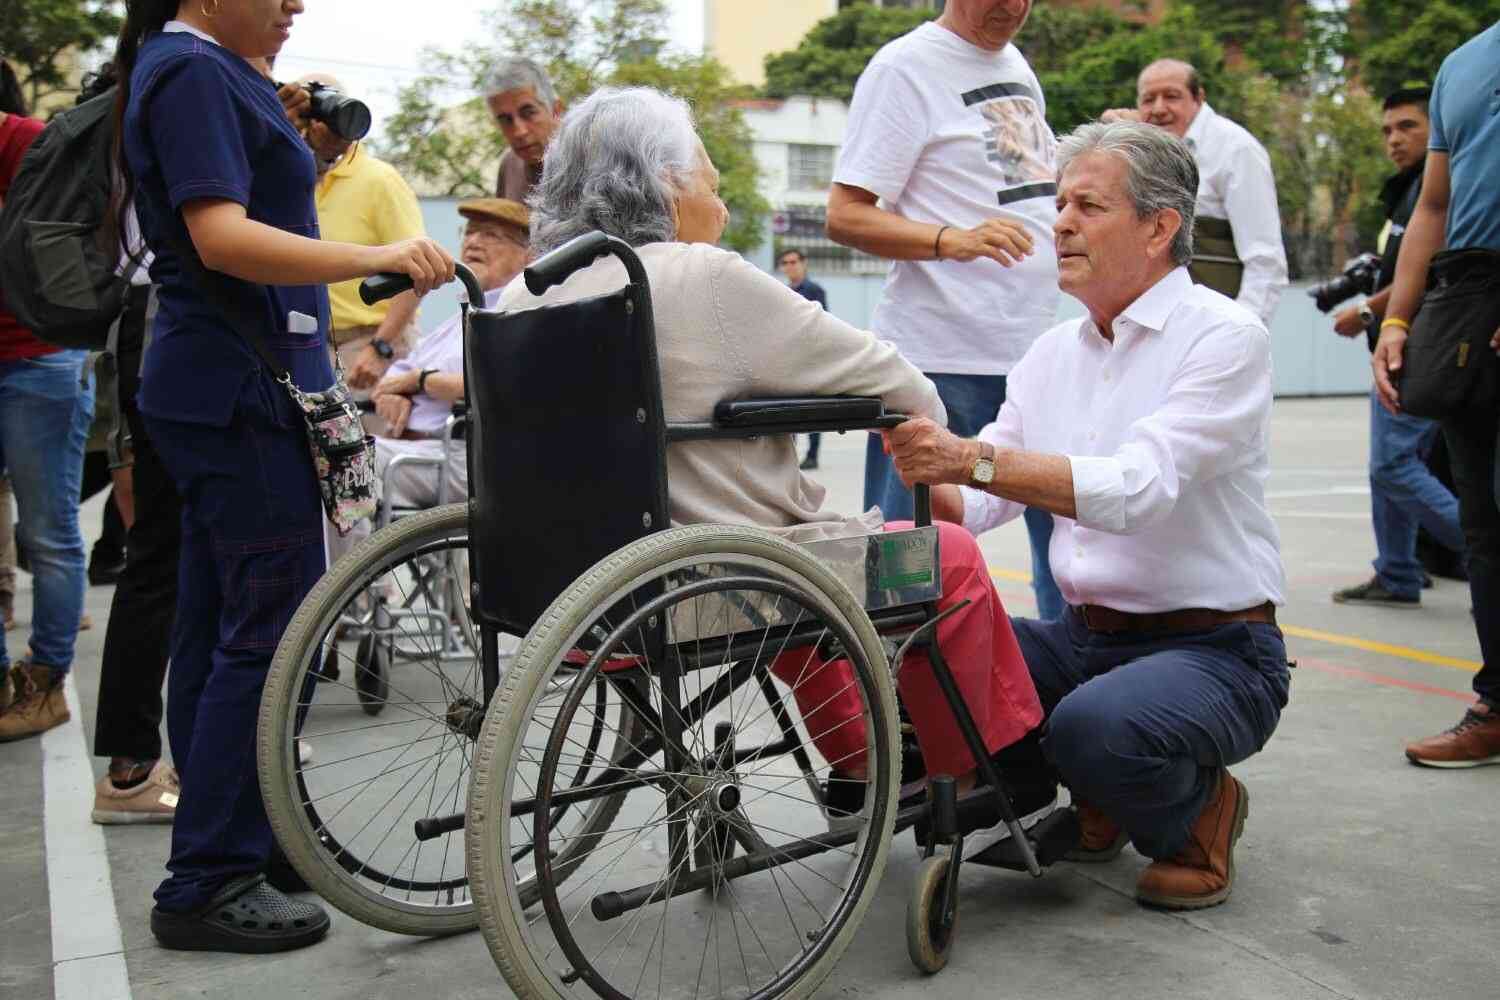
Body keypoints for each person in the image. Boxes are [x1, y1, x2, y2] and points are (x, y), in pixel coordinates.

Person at [502, 86, 1057, 841]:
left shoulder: (523, 296)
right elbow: (906, 388)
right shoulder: (701, 276)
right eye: (710, 182)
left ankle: (864, 761)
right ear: (666, 185)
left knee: (794, 567)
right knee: (945, 556)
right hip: (701, 587)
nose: (721, 201)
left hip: (566, 591)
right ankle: (980, 770)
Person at [112, 0, 453, 953]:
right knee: (269, 630)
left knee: (223, 621)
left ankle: (243, 837)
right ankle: (211, 874)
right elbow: (221, 237)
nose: (297, 3)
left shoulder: (213, 71)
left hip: (230, 381)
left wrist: (290, 135)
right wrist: (379, 254)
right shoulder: (191, 70)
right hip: (240, 387)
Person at [887, 121, 1291, 911]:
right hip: (1084, 637)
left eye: (1088, 206)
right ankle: (1098, 791)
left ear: (1160, 227)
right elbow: (982, 499)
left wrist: (966, 457)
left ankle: (1200, 812)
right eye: (1060, 205)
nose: (1061, 224)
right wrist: (916, 452)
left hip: (1215, 647)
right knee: (920, 660)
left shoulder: (1224, 337)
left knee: (1092, 728)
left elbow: (1136, 490)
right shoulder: (1050, 354)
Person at [826, 0, 1063, 621]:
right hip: (939, 363)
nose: (1013, 6)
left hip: (1033, 355)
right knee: (907, 567)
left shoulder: (1015, 64)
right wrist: (948, 239)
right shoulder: (904, 68)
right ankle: (895, 682)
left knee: (1069, 555)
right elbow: (845, 215)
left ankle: (1073, 678)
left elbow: (1022, 186)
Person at [1374, 22, 1500, 768]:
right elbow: (1434, 207)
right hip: (1468, 294)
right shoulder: (1462, 64)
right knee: (1484, 525)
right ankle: (1498, 704)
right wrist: (1398, 319)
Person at [325, 197, 529, 566]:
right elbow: (392, 378)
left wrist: (420, 382)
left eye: (492, 235)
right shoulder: (464, 313)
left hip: (466, 458)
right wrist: (397, 393)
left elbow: (496, 383)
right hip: (420, 453)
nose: (473, 242)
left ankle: (351, 587)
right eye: (470, 232)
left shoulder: (515, 313)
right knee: (327, 457)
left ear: (529, 255)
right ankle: (350, 586)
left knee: (343, 463)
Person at [1330, 87, 1464, 609]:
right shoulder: (1409, 192)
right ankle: (1398, 571)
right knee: (1385, 464)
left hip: (1425, 341)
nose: (1394, 139)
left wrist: (1370, 311)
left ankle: (1483, 550)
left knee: (1393, 464)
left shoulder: (1441, 188)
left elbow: (1429, 269)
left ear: (1438, 129)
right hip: (1398, 344)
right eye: (1387, 130)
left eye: (1408, 126)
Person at [0, 60, 95, 742]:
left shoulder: (29, 142)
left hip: (41, 358)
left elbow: (76, 241)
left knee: (48, 533)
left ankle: (45, 682)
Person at [1103, 59, 1288, 326]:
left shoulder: (1235, 149)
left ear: (1198, 98)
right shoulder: (1142, 150)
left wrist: (1240, 330)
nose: (1159, 109)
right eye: (1148, 99)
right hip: (1146, 326)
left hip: (1214, 325)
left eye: (1172, 96)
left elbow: (1265, 260)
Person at [288, 72, 425, 395]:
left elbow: (417, 269)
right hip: (314, 345)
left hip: (370, 344)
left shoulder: (379, 179)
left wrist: (381, 347)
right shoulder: (296, 180)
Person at [777, 247, 828, 470]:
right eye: (785, 263)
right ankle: (789, 454)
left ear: (803, 263)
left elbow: (822, 323)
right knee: (790, 407)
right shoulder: (782, 291)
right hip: (789, 356)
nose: (790, 267)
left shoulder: (815, 290)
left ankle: (812, 455)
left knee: (814, 408)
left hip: (810, 356)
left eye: (793, 262)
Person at [484, 57, 563, 202]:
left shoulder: (593, 159)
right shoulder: (509, 165)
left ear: (555, 110)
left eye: (528, 113)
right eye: (506, 120)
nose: (519, 132)